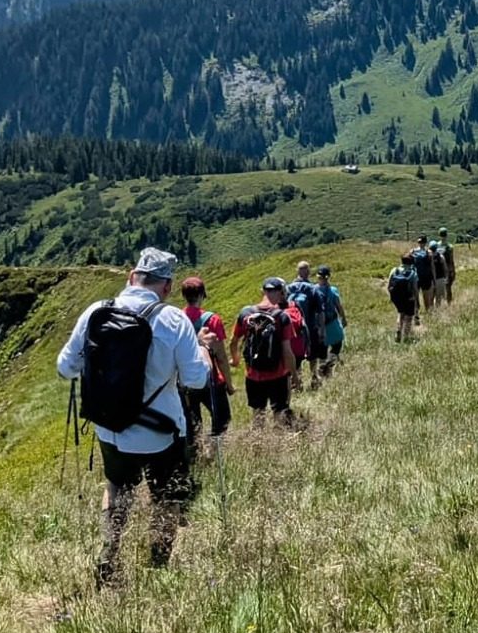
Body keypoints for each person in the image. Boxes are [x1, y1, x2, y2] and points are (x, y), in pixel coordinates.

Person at [56, 247, 214, 588]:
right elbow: (196, 380)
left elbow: (65, 367)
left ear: (132, 276)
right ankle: (158, 564)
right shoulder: (174, 320)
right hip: (163, 431)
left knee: (116, 487)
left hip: (111, 427)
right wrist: (203, 351)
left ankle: (109, 556)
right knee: (167, 497)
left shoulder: (96, 312)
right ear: (167, 287)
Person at [230, 276, 303, 428]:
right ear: (281, 293)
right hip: (278, 375)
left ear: (263, 291)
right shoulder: (282, 317)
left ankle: (258, 445)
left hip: (253, 375)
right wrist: (295, 376)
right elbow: (287, 352)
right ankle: (279, 443)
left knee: (258, 413)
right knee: (280, 412)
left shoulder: (246, 313)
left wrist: (235, 360)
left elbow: (233, 341)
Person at [177, 276, 232, 458]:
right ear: (202, 294)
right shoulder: (212, 320)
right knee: (222, 417)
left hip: (185, 382)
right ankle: (213, 453)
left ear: (184, 296)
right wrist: (229, 384)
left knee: (192, 423)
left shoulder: (176, 319)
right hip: (211, 380)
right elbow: (222, 357)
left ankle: (195, 455)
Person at [284, 260, 328, 389]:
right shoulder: (313, 289)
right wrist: (322, 330)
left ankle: (297, 381)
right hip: (310, 327)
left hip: (294, 330)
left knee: (296, 357)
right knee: (313, 356)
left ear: (297, 271)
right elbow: (320, 311)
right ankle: (314, 377)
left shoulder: (288, 288)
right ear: (308, 272)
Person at [314, 264, 346, 374]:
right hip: (332, 322)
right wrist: (343, 318)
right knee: (337, 344)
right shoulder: (332, 290)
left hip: (318, 324)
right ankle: (329, 363)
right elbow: (338, 306)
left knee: (322, 347)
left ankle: (322, 369)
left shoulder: (313, 290)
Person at [385, 250, 421, 342]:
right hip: (409, 298)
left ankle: (398, 330)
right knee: (408, 317)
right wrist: (417, 301)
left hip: (396, 297)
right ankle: (406, 337)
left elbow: (389, 285)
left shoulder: (394, 270)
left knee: (400, 314)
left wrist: (391, 297)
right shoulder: (413, 273)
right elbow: (415, 289)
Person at [411, 236, 438, 315]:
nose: (420, 244)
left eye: (421, 242)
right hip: (421, 277)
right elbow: (432, 267)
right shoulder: (426, 253)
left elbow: (432, 266)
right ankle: (422, 313)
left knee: (420, 297)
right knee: (421, 297)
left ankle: (421, 313)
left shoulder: (415, 252)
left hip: (421, 277)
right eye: (420, 242)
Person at [436, 230, 457, 304]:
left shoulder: (436, 245)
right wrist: (453, 271)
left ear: (439, 235)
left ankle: (438, 304)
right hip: (447, 269)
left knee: (437, 288)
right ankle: (449, 303)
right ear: (446, 235)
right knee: (448, 287)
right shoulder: (450, 246)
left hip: (438, 269)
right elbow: (451, 260)